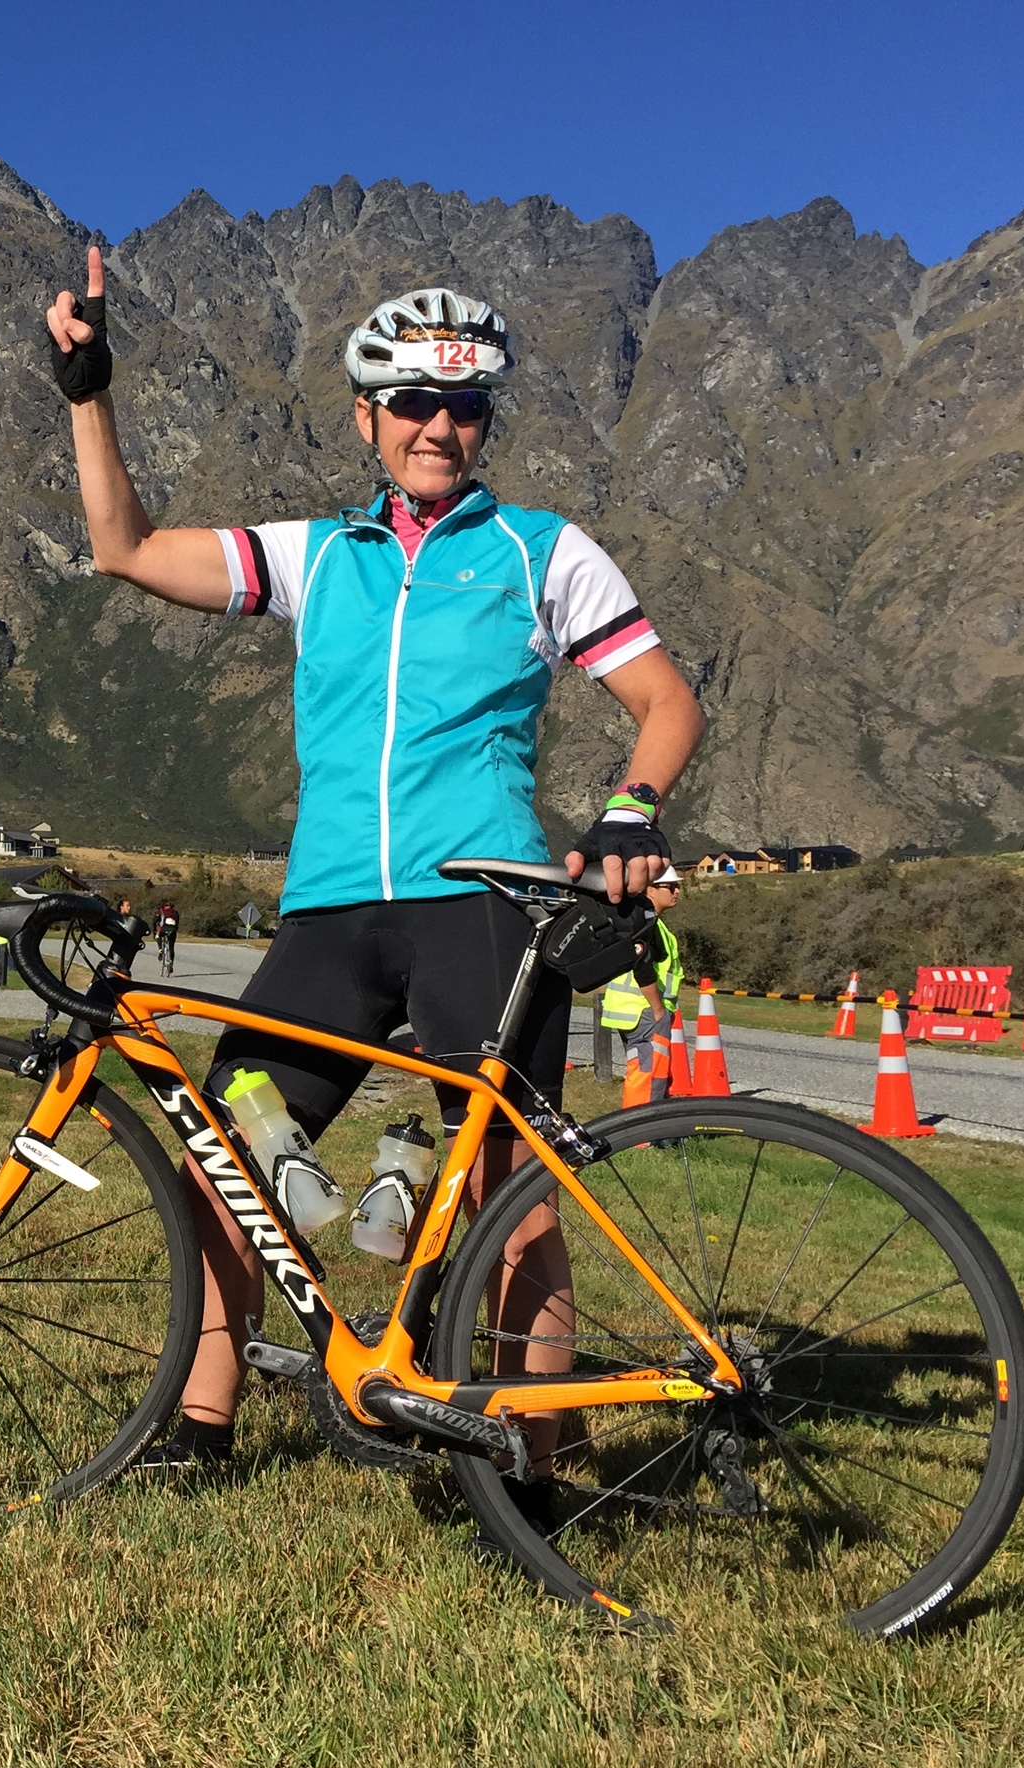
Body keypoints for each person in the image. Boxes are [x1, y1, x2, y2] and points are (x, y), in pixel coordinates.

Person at [45, 251, 705, 1511]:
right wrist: (88, 392)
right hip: (333, 909)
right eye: (409, 403)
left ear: (485, 422)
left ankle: (537, 1471)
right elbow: (122, 548)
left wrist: (628, 817)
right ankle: (197, 1431)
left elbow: (664, 701)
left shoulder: (541, 552)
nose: (437, 427)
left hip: (485, 910)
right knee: (225, 1162)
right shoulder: (319, 556)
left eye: (462, 408)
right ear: (367, 417)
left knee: (512, 1204)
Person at [597, 864, 686, 1099]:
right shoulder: (647, 925)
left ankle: (654, 1131)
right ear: (650, 890)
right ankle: (640, 1135)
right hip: (645, 1012)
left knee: (653, 1075)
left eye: (677, 886)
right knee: (648, 1078)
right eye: (670, 886)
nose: (676, 891)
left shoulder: (644, 922)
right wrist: (658, 1009)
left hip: (636, 1012)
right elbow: (643, 967)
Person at [154, 899, 179, 975]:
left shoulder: (161, 911)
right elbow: (177, 922)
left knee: (158, 936)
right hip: (173, 930)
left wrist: (154, 930)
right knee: (171, 947)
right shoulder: (175, 912)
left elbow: (154, 922)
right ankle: (171, 964)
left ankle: (160, 950)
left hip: (163, 929)